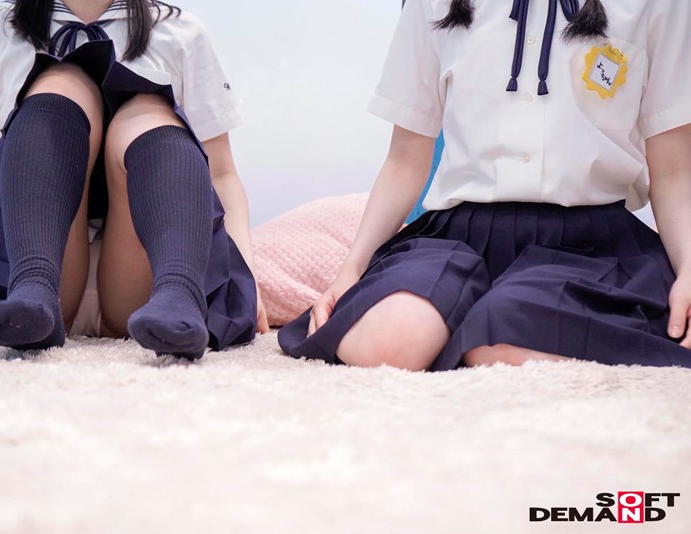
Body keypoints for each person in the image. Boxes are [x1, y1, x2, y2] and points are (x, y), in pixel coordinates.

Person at [279, 0, 691, 371]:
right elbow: (405, 161)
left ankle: (476, 333)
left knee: (504, 338)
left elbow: (674, 171)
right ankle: (465, 327)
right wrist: (352, 268)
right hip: (454, 236)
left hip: (590, 247)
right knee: (393, 339)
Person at [0, 0, 269, 359]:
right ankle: (34, 285)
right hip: (23, 278)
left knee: (149, 109)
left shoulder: (178, 30)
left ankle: (179, 290)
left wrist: (245, 279)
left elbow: (222, 174)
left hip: (145, 275)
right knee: (61, 83)